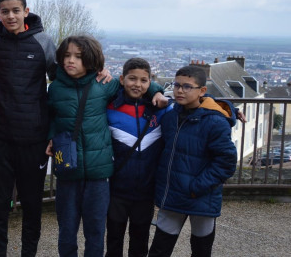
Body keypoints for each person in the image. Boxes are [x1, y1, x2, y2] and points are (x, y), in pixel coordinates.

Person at [45, 35, 167, 257]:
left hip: (98, 173)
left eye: (78, 57)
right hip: (67, 170)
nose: (70, 61)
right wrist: (51, 136)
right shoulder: (55, 89)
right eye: (67, 56)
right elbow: (50, 116)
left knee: (95, 232)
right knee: (67, 230)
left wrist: (156, 91)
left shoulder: (105, 85)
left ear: (91, 60)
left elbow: (136, 84)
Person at [0, 0, 57, 257]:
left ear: (26, 11)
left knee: (32, 205)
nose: (11, 16)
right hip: (1, 138)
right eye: (5, 11)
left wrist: (103, 72)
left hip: (34, 140)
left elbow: (66, 78)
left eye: (16, 10)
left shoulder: (43, 42)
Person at [147, 65, 237, 257]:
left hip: (201, 197)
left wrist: (196, 187)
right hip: (172, 196)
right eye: (177, 85)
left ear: (202, 91)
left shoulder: (215, 122)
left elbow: (227, 162)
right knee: (159, 249)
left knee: (201, 250)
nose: (180, 90)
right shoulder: (170, 117)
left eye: (187, 86)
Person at [105, 58, 171, 257]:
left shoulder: (161, 109)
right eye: (132, 79)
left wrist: (230, 109)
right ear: (122, 79)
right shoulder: (108, 107)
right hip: (117, 189)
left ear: (150, 83)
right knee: (113, 239)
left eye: (143, 80)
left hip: (146, 190)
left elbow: (195, 102)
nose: (137, 84)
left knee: (140, 241)